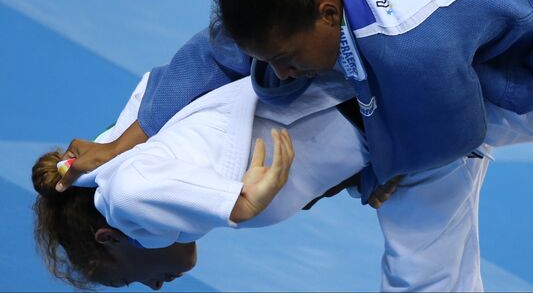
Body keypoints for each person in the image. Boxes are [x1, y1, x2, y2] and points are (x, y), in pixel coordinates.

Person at [54, 0, 533, 291]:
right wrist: (122, 144)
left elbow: (456, 132)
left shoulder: (409, 46)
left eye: (287, 56)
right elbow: (211, 51)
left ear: (329, 13)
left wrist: (381, 169)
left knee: (424, 198)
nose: (283, 74)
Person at [33, 72, 375, 290]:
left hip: (368, 88)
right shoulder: (181, 181)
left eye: (125, 280)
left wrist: (240, 204)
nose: (154, 287)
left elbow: (128, 190)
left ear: (108, 237)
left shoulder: (127, 193)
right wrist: (371, 176)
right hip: (375, 110)